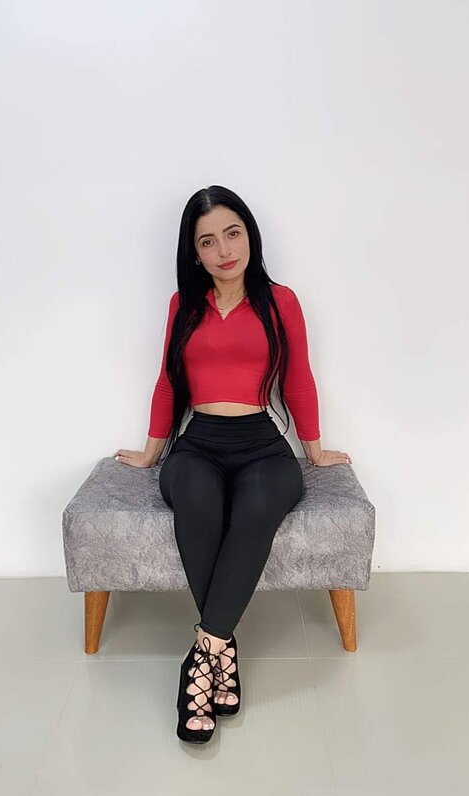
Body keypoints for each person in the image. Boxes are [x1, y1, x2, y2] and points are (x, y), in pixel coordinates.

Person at [114, 185, 352, 744]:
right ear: (194, 253)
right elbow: (167, 382)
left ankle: (204, 655)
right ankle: (220, 648)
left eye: (232, 233)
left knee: (257, 507)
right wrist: (151, 452)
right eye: (207, 241)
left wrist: (314, 449)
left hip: (262, 446)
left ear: (249, 235)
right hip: (197, 444)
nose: (223, 250)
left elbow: (298, 379)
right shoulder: (183, 306)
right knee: (196, 500)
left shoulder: (280, 302)